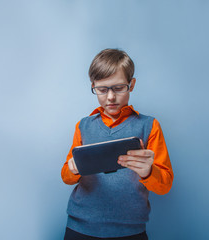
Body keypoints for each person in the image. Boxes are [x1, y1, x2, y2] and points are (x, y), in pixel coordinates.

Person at [61, 48, 174, 240]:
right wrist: (72, 170)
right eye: (102, 90)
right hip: (80, 228)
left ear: (132, 85)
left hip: (130, 231)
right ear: (93, 86)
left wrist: (148, 172)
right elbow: (66, 176)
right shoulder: (83, 126)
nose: (110, 97)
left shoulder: (149, 126)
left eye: (118, 88)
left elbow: (165, 185)